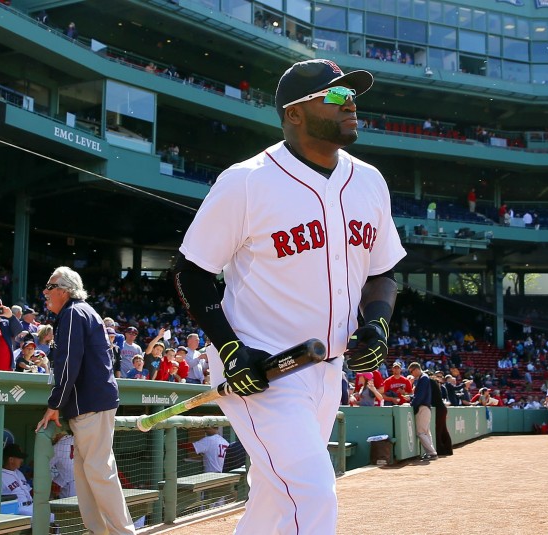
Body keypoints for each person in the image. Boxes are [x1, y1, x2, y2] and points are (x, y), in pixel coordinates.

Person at [171, 59, 404, 534]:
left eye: (352, 95)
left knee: (277, 497)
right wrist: (230, 349)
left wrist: (377, 322)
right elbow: (190, 274)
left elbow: (384, 270)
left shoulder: (369, 180)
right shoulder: (247, 180)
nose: (351, 103)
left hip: (327, 368)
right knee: (312, 495)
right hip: (263, 370)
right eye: (336, 96)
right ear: (294, 113)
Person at [35, 266, 135, 535]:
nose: (45, 292)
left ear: (65, 291)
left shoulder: (73, 313)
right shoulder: (81, 312)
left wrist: (55, 404)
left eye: (50, 286)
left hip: (91, 405)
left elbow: (69, 363)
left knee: (99, 472)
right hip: (90, 404)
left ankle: (122, 532)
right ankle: (97, 530)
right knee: (86, 474)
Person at [409, 362, 438, 460]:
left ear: (416, 369)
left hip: (423, 407)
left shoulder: (423, 378)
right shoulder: (424, 378)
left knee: (421, 432)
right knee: (426, 432)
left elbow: (420, 396)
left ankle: (432, 453)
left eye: (411, 371)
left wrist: (411, 404)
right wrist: (411, 397)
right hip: (426, 407)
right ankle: (431, 452)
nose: (411, 374)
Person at [1, 444, 35, 517]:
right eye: (19, 458)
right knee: (49, 518)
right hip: (17, 509)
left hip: (30, 506)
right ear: (11, 460)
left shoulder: (19, 473)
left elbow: (29, 491)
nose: (22, 460)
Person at [50, 433, 76, 499]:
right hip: (85, 484)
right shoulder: (90, 439)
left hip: (71, 488)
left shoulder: (59, 445)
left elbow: (44, 468)